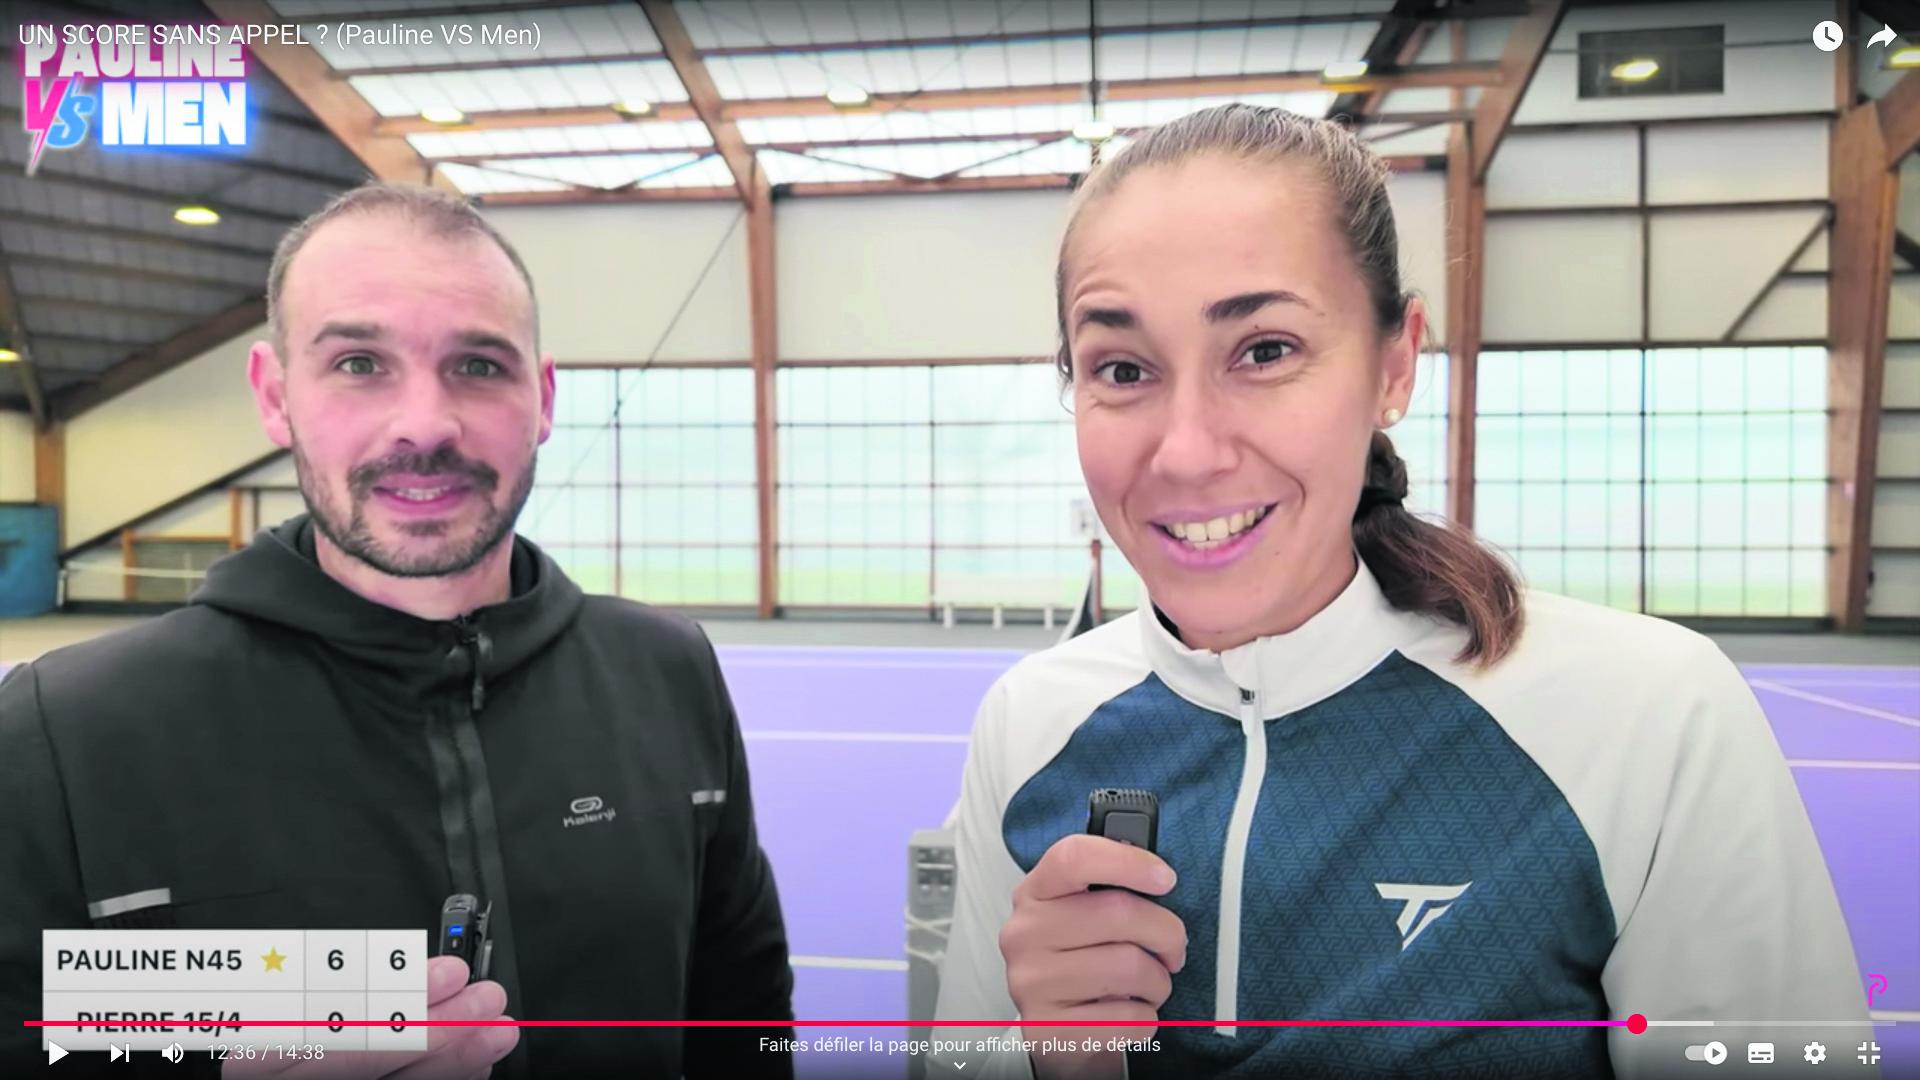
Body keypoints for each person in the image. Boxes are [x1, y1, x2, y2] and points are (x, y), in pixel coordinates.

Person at [930, 104, 1871, 1080]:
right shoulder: (1029, 725)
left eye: (1264, 351)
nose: (1188, 451)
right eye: (1122, 368)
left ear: (1394, 364)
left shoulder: (1648, 718)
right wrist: (1049, 1063)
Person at [0, 183, 793, 1078]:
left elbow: (743, 1014)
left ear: (543, 400)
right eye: (359, 364)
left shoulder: (667, 672)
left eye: (480, 365)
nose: (425, 424)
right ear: (275, 396)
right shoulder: (65, 731)